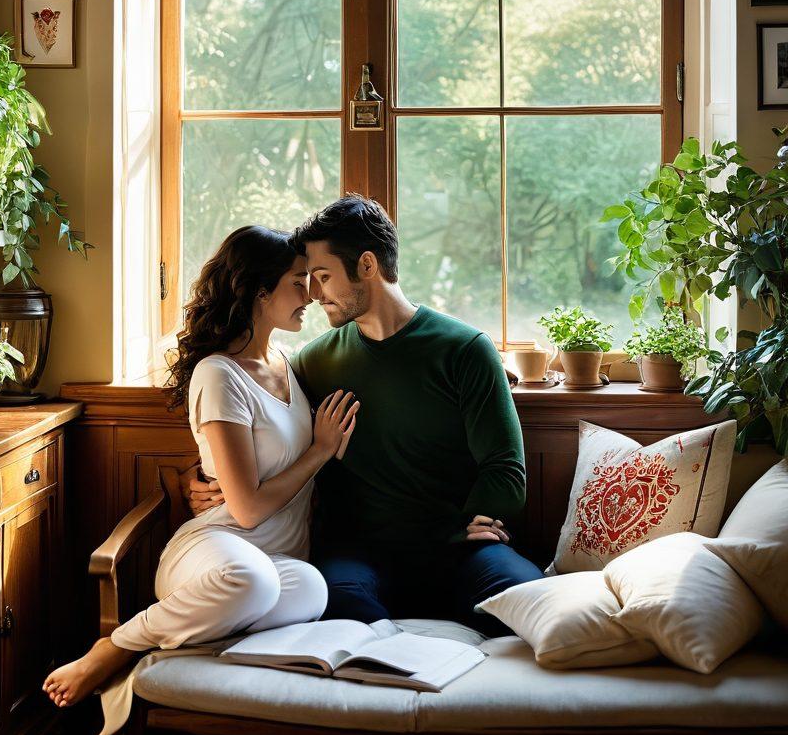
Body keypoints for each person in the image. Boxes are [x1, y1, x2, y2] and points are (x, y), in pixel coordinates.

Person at [189, 195, 544, 633]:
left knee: (529, 598)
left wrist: (465, 529)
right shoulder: (313, 362)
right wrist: (200, 477)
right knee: (339, 605)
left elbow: (506, 470)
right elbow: (262, 424)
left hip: (457, 547)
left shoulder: (466, 349)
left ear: (368, 265)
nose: (313, 294)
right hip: (358, 556)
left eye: (323, 276)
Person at [43, 225, 358, 709]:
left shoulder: (287, 363)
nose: (311, 295)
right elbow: (247, 511)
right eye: (299, 282)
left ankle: (202, 638)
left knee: (312, 589)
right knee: (253, 581)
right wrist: (320, 450)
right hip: (217, 555)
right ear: (259, 292)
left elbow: (257, 454)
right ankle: (116, 646)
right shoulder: (218, 374)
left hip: (277, 564)